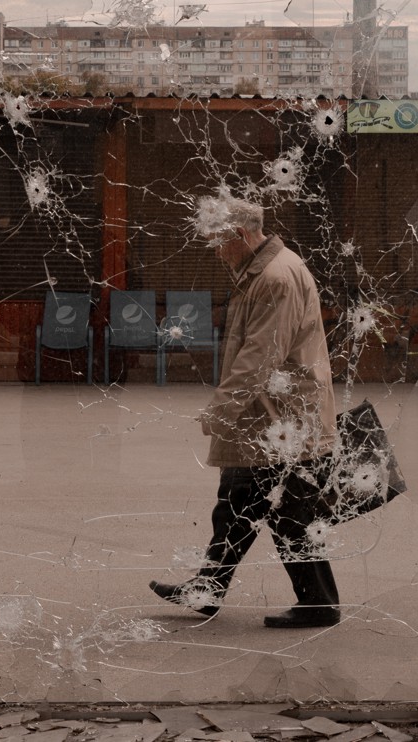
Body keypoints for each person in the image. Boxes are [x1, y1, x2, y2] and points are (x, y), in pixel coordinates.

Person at [149, 193, 340, 628]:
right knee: (239, 505)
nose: (216, 252)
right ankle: (209, 591)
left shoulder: (275, 277)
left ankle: (319, 605)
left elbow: (259, 356)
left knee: (286, 514)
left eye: (218, 242)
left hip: (280, 419)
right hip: (269, 416)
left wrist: (221, 410)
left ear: (239, 234)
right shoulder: (261, 272)